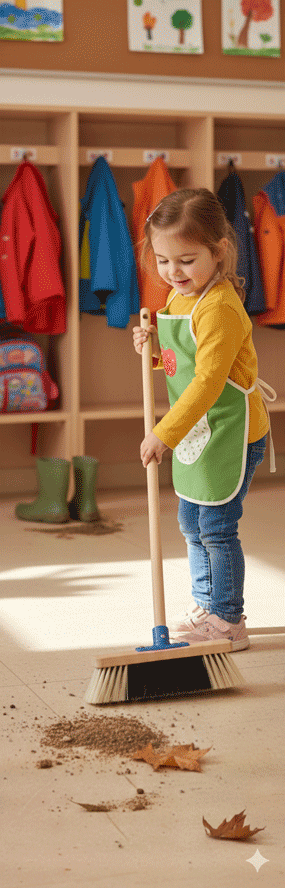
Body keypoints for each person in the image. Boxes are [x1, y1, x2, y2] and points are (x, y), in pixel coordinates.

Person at [133, 188, 276, 651]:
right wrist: (154, 350)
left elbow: (209, 382)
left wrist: (164, 433)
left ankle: (229, 619)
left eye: (187, 260)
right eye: (163, 260)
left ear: (218, 252)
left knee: (216, 528)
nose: (173, 272)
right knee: (192, 524)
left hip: (230, 431)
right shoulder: (180, 299)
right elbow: (183, 360)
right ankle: (207, 603)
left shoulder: (220, 307)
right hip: (199, 429)